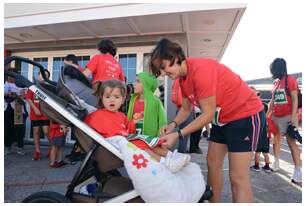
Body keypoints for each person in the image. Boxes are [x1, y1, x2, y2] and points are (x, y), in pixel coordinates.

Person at [150, 38, 265, 202]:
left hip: (245, 115)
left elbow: (207, 114)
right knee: (212, 164)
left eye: (163, 67)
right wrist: (172, 125)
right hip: (222, 118)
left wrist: (178, 134)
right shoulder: (182, 78)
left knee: (237, 177)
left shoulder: (200, 70)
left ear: (177, 57)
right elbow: (186, 108)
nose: (162, 73)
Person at [85, 79, 190, 173]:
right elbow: (85, 129)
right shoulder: (96, 115)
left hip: (126, 141)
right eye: (107, 97)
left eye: (116, 97)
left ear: (122, 100)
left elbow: (129, 131)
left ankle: (172, 156)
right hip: (114, 145)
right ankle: (165, 163)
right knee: (144, 148)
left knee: (148, 142)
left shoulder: (122, 116)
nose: (112, 100)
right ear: (102, 98)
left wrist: (134, 122)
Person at [266, 58, 302, 183]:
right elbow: (272, 101)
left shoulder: (290, 80)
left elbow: (294, 98)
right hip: (276, 117)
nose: (272, 71)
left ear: (278, 68)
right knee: (276, 141)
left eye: (273, 69)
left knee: (292, 143)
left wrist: (293, 117)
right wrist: (267, 114)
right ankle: (275, 163)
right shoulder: (276, 83)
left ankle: (298, 171)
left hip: (288, 117)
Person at [26, 70, 51, 160]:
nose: (43, 76)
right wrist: (35, 108)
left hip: (45, 114)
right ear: (38, 75)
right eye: (41, 74)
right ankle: (37, 152)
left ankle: (53, 148)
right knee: (36, 132)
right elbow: (28, 98)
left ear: (47, 78)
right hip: (35, 113)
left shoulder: (48, 87)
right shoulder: (33, 86)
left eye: (46, 75)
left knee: (46, 132)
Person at [249, 88, 272, 172]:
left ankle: (257, 166)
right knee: (266, 152)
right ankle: (267, 166)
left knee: (258, 152)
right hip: (266, 134)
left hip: (259, 134)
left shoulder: (256, 108)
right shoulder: (265, 107)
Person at [4, 72, 19, 155]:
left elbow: (21, 96)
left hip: (17, 108)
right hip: (5, 108)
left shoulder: (18, 85)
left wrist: (14, 95)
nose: (11, 77)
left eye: (12, 75)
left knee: (16, 128)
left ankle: (18, 146)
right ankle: (7, 147)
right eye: (9, 75)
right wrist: (7, 94)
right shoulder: (3, 84)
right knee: (7, 128)